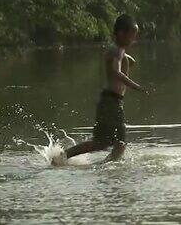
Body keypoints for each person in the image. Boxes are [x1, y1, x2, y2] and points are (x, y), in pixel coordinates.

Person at [52, 14, 147, 165]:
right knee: (119, 143)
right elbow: (116, 72)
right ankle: (102, 167)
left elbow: (117, 60)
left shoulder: (118, 50)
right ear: (121, 34)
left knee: (102, 142)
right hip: (111, 102)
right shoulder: (116, 51)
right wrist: (135, 86)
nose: (133, 40)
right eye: (131, 36)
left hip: (109, 101)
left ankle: (63, 157)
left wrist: (127, 59)